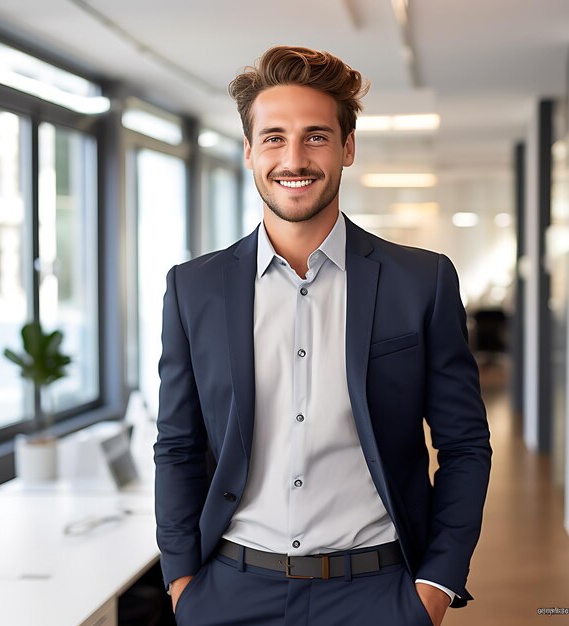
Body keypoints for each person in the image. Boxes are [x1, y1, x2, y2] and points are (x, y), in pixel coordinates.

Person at [154, 45, 492, 626]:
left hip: (379, 594)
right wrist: (183, 583)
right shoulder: (194, 289)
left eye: (315, 136)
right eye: (274, 137)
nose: (294, 158)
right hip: (230, 594)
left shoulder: (422, 281)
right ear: (248, 151)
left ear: (347, 147)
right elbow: (178, 446)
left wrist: (435, 584)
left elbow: (464, 445)